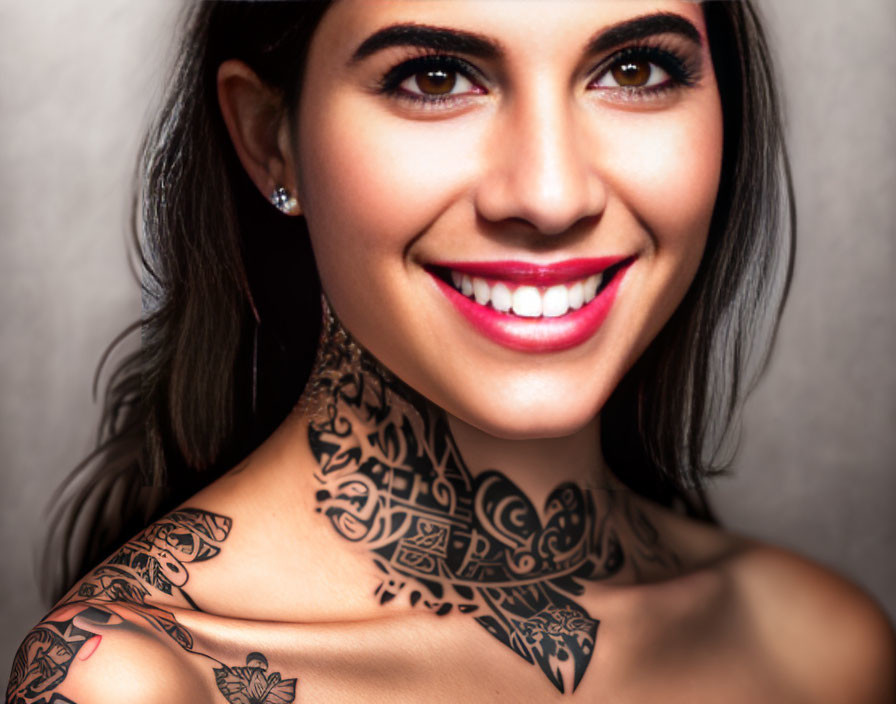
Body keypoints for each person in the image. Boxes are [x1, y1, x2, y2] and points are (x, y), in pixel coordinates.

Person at [6, 1, 895, 702]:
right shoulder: (139, 682)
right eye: (435, 77)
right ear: (269, 137)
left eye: (633, 68)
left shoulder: (822, 648)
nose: (549, 194)